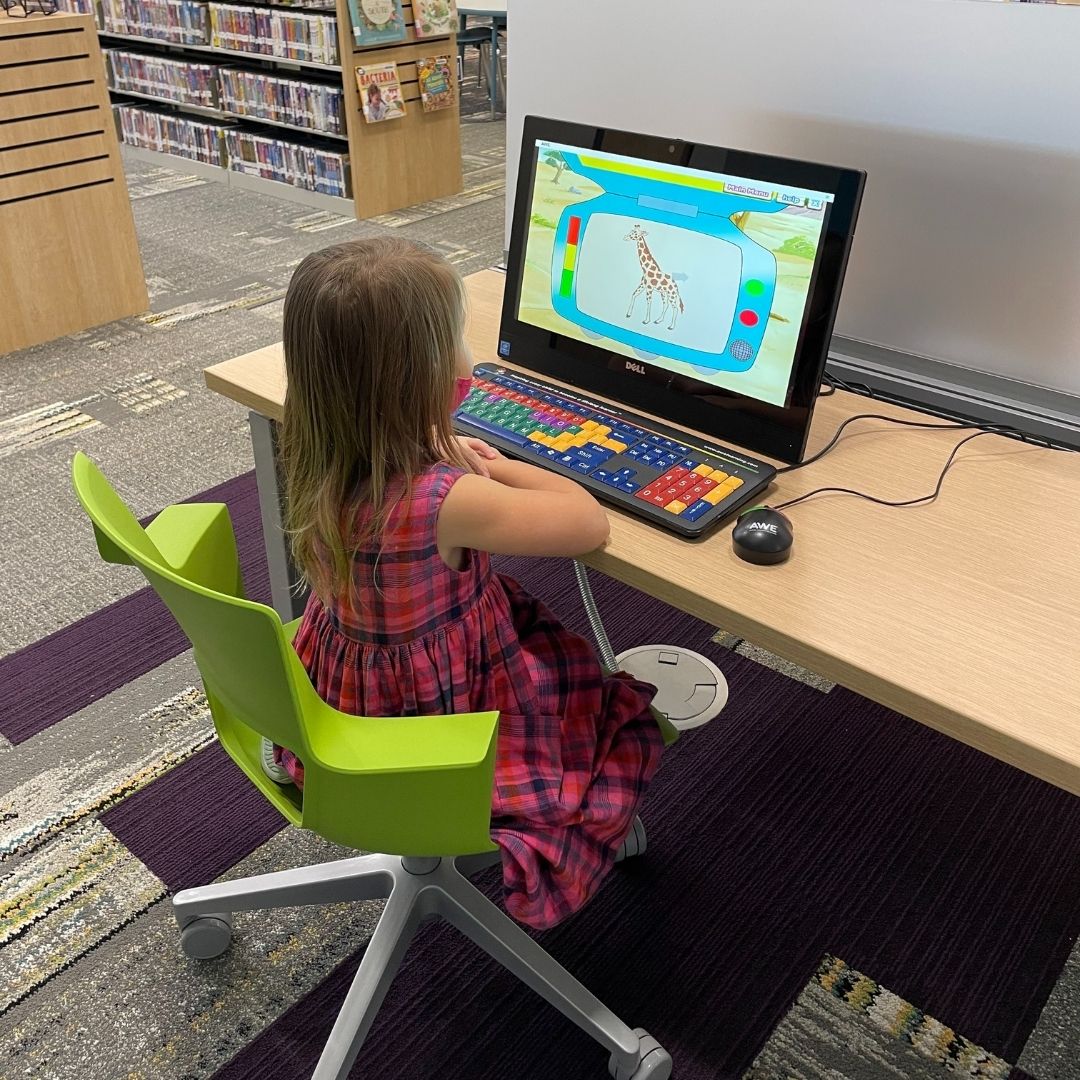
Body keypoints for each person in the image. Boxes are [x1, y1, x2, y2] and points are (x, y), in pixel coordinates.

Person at [271, 237, 673, 929]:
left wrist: (442, 448)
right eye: (453, 337)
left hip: (339, 708)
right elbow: (585, 522)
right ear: (415, 376)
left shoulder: (319, 450)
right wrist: (495, 461)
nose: (465, 351)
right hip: (438, 726)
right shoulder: (445, 500)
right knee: (610, 714)